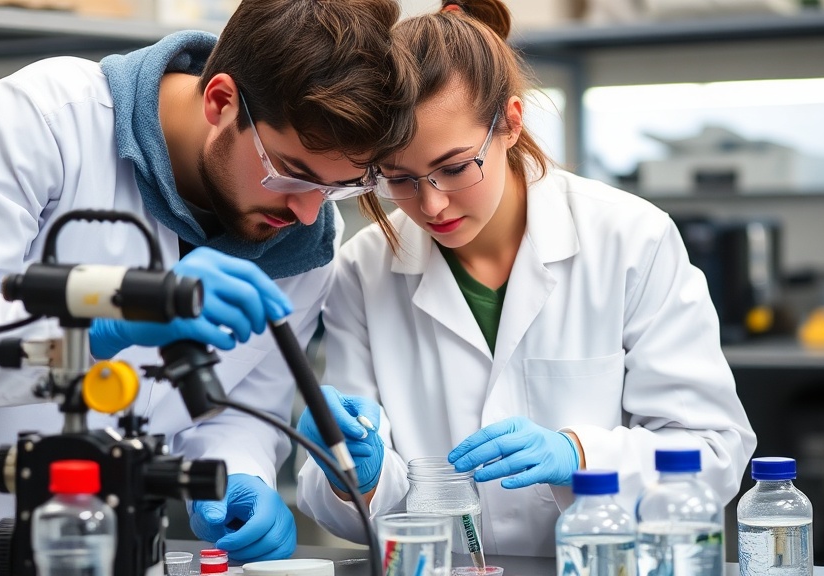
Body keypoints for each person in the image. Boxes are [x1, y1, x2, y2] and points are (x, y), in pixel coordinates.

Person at [0, 0, 416, 570]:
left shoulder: (302, 246)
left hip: (98, 549)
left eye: (337, 189)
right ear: (220, 100)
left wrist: (236, 477)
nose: (307, 212)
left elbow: (242, 407)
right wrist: (99, 325)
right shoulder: (50, 119)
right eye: (291, 174)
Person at [295, 0, 756, 556]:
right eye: (400, 178)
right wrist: (359, 477)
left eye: (455, 167)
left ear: (511, 123)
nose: (432, 204)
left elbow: (713, 450)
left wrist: (580, 454)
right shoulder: (363, 268)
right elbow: (358, 511)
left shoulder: (631, 238)